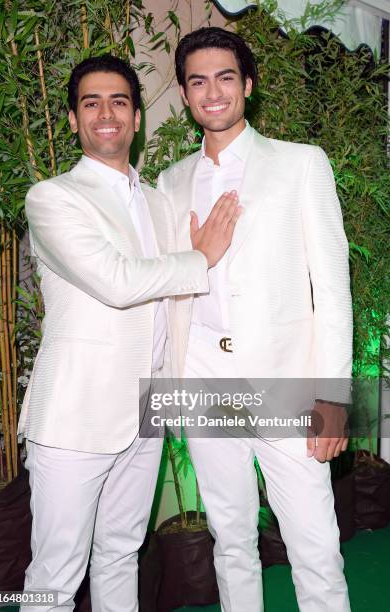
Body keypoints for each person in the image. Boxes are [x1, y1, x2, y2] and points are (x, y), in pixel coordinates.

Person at [17, 54, 241, 612]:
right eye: (90, 103)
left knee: (120, 553)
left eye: (119, 101)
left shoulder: (163, 203)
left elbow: (177, 307)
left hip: (147, 408)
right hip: (75, 414)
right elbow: (117, 282)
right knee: (55, 573)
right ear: (73, 119)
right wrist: (199, 256)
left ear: (137, 117)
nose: (105, 113)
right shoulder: (53, 198)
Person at [158, 28, 353, 612]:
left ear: (247, 84)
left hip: (287, 384)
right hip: (202, 381)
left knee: (315, 544)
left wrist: (335, 395)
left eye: (225, 77)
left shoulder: (301, 164)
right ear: (186, 95)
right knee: (230, 540)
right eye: (198, 81)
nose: (212, 92)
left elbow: (334, 289)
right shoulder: (170, 183)